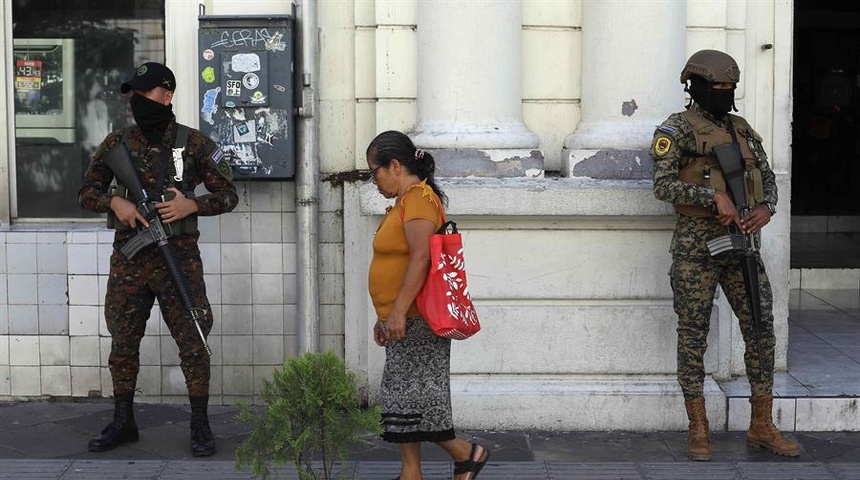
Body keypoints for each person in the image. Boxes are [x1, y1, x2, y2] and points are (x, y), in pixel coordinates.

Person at [79, 62, 238, 456]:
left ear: (167, 96)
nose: (137, 101)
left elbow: (229, 194)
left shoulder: (194, 144)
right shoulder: (117, 143)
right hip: (130, 262)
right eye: (134, 94)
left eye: (144, 93)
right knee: (123, 342)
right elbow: (86, 191)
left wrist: (191, 205)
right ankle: (123, 421)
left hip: (178, 260)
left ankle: (200, 427)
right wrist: (113, 200)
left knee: (194, 342)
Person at [650, 50, 801, 461]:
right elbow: (662, 186)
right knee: (693, 335)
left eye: (729, 88)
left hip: (742, 247)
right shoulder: (676, 129)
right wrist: (712, 196)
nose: (724, 94)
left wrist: (767, 207)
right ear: (695, 87)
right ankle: (698, 429)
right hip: (697, 247)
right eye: (716, 88)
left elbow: (767, 177)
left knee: (760, 328)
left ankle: (762, 425)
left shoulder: (741, 129)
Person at [366, 131, 490, 480]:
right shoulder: (404, 202)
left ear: (395, 165)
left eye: (373, 172)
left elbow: (421, 259)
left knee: (418, 402)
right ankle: (412, 473)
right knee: (404, 404)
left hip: (416, 317)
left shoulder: (419, 199)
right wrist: (385, 315)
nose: (373, 181)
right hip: (402, 316)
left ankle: (468, 453)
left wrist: (397, 311)